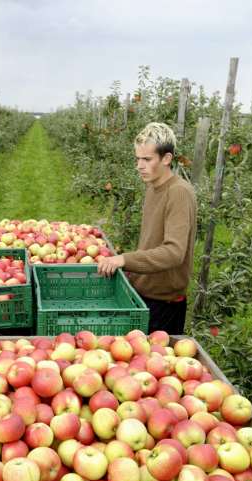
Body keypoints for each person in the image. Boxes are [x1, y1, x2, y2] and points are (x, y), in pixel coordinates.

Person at [97, 122, 197, 335]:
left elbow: (174, 252)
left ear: (166, 159)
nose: (139, 166)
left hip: (164, 303)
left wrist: (125, 259)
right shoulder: (153, 187)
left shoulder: (179, 193)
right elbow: (152, 240)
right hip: (142, 294)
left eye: (147, 159)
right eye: (138, 159)